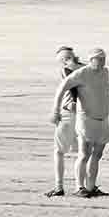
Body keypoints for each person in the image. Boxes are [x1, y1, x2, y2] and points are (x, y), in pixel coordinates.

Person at [50, 48, 109, 198]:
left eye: (103, 58)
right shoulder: (80, 72)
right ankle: (77, 187)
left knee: (96, 154)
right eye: (99, 58)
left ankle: (90, 187)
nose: (102, 61)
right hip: (81, 117)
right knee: (82, 153)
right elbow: (63, 88)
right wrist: (56, 111)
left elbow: (107, 86)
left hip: (101, 118)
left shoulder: (104, 72)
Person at [48, 45, 81, 196]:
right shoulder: (88, 69)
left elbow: (69, 89)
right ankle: (83, 186)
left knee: (59, 151)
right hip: (84, 114)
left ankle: (59, 186)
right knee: (82, 153)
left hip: (68, 113)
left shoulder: (66, 70)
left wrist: (57, 111)